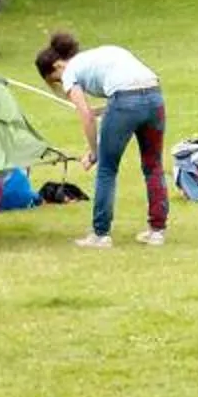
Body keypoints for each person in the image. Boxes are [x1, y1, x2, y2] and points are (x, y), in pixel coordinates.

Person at [35, 30, 169, 249]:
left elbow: (87, 116)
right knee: (153, 165)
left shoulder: (70, 73)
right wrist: (103, 113)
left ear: (58, 66)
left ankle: (100, 234)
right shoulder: (100, 54)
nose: (61, 83)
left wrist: (94, 152)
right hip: (154, 97)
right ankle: (157, 232)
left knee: (107, 169)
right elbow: (129, 98)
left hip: (125, 101)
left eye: (56, 80)